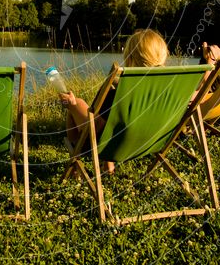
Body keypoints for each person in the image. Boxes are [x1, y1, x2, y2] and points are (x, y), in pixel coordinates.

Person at [59, 28, 169, 174]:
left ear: (130, 58)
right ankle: (107, 165)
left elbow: (93, 129)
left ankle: (75, 165)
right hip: (150, 142)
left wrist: (72, 106)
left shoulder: (120, 93)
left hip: (108, 146)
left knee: (77, 102)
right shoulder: (170, 88)